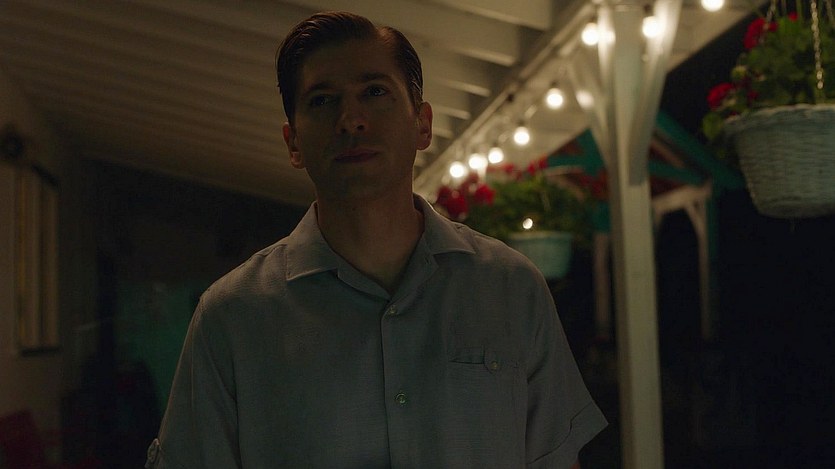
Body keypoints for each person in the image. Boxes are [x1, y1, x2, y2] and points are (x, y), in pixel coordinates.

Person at [146, 11, 606, 468]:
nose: (351, 120)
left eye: (375, 92)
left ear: (422, 124)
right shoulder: (233, 317)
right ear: (293, 143)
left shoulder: (509, 287)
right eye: (323, 100)